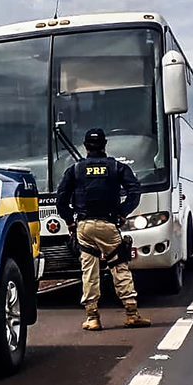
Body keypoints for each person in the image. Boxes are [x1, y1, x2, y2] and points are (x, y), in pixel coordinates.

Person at [55, 128, 152, 331]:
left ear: (85, 146)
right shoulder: (117, 167)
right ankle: (132, 313)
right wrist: (122, 212)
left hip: (84, 226)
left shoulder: (75, 169)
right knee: (119, 266)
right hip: (108, 224)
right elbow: (135, 190)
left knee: (89, 271)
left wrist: (70, 222)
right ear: (105, 145)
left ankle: (92, 317)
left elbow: (61, 198)